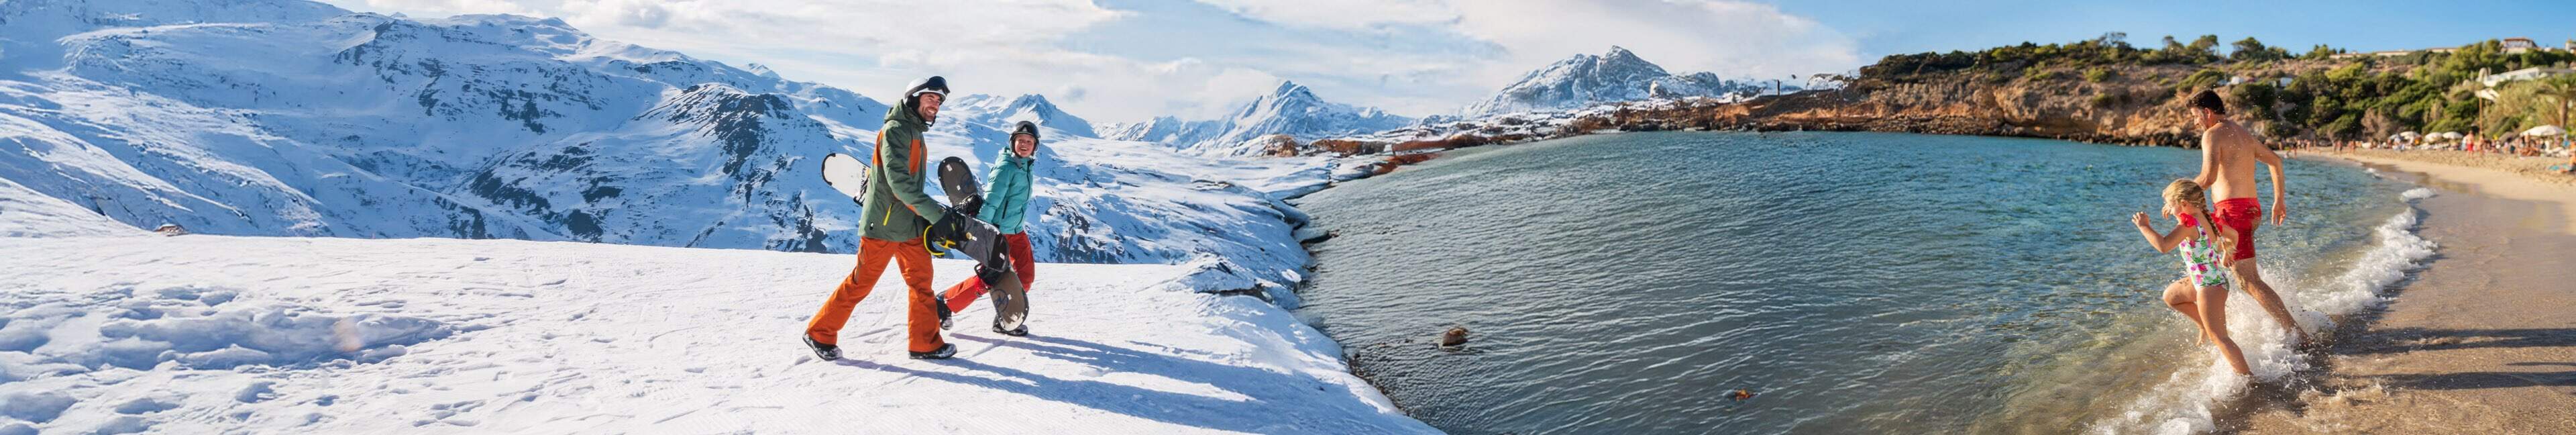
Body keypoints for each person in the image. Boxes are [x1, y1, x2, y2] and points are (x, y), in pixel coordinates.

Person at [802, 76, 963, 360]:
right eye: (931, 98)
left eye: (939, 101)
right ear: (913, 98)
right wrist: (936, 215)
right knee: (861, 282)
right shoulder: (896, 131)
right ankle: (820, 332)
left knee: (921, 284)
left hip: (910, 226)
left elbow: (909, 186)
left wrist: (928, 217)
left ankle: (925, 343)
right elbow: (899, 184)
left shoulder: (915, 132)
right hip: (885, 226)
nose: (936, 105)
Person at [2186, 89, 2311, 345]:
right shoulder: (2242, 133)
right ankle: (2212, 324)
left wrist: (2178, 195)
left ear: (2207, 112)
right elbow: (2275, 161)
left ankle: (2298, 334)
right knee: (2213, 262)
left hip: (2233, 213)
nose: (2195, 122)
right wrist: (2279, 200)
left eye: (2196, 116)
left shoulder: (2213, 134)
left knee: (2248, 280)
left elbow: (2208, 178)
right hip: (2250, 210)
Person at [2135, 179, 2252, 376]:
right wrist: (2227, 253)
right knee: (2171, 297)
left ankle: (2248, 377)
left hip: (2210, 286)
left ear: (2184, 203)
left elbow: (2163, 246)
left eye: (2170, 205)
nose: (2168, 209)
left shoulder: (2188, 225)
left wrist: (2144, 226)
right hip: (2203, 280)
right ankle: (2203, 324)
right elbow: (2233, 235)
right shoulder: (2208, 218)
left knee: (2220, 338)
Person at [939, 121, 1042, 336]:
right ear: (1012, 142)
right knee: (990, 277)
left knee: (1025, 276)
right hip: (999, 232)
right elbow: (992, 201)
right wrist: (982, 229)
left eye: (1029, 141)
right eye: (1020, 140)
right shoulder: (1006, 167)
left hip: (1017, 231)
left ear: (1035, 146)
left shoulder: (1026, 167)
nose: (1024, 144)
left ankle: (1006, 317)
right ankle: (945, 303)